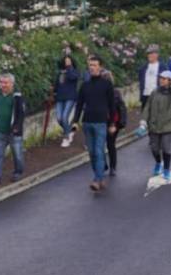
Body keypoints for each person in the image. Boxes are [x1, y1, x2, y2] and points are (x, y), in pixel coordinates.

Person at [70, 56, 117, 192]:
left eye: (95, 65)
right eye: (90, 65)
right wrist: (75, 121)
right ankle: (100, 176)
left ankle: (97, 179)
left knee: (98, 151)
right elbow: (79, 105)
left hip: (101, 123)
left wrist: (112, 123)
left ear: (100, 67)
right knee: (91, 153)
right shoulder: (85, 86)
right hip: (87, 122)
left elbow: (112, 105)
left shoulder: (106, 84)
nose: (92, 67)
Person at [140, 70, 171, 180]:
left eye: (164, 79)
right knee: (154, 148)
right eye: (160, 78)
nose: (161, 80)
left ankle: (166, 169)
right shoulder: (155, 92)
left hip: (167, 124)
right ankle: (158, 163)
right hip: (154, 125)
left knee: (166, 148)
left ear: (169, 81)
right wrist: (143, 122)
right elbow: (147, 107)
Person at [0, 73, 26, 184]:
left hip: (14, 132)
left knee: (17, 154)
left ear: (12, 84)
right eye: (1, 82)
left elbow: (21, 114)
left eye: (6, 82)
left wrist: (16, 127)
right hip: (0, 130)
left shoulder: (17, 97)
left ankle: (18, 172)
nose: (3, 85)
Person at [53, 55, 81, 147]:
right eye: (66, 61)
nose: (67, 62)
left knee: (65, 117)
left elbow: (73, 77)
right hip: (60, 98)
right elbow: (57, 85)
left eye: (69, 61)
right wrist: (54, 92)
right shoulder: (60, 73)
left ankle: (66, 137)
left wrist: (69, 68)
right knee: (59, 118)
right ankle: (69, 131)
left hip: (70, 97)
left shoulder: (75, 71)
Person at [105, 72, 127, 175]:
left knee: (110, 144)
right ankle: (105, 165)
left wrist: (121, 123)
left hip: (113, 123)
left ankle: (112, 166)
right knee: (102, 145)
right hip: (102, 122)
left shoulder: (116, 93)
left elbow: (121, 108)